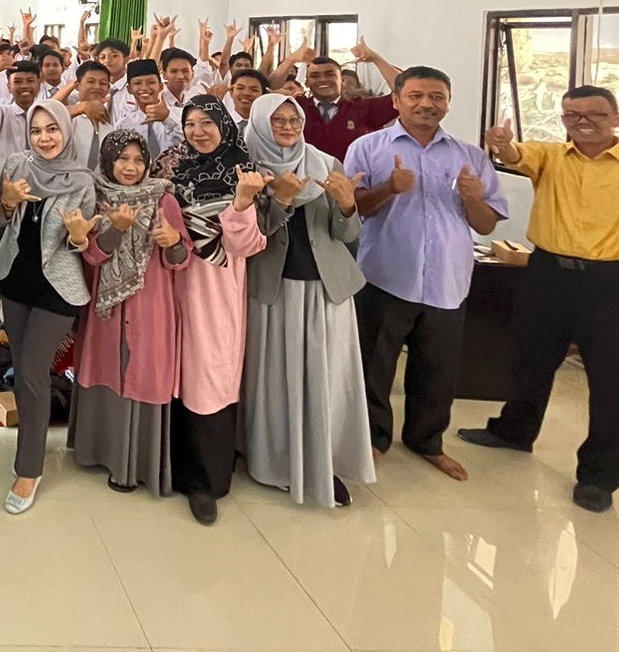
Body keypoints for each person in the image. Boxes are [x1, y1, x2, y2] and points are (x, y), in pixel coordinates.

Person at [459, 91, 619, 512]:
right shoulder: (551, 157)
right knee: (528, 362)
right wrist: (501, 143)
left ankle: (599, 477)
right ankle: (514, 432)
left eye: (594, 114)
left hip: (616, 285)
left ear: (617, 118)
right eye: (572, 114)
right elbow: (516, 154)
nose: (582, 121)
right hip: (547, 275)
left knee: (615, 385)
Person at [344, 67, 506, 481]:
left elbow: (486, 225)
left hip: (447, 280)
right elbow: (353, 210)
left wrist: (474, 199)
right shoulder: (368, 147)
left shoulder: (470, 156)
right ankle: (374, 439)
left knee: (437, 369)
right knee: (374, 366)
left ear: (447, 104)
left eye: (436, 97)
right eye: (415, 95)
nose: (426, 104)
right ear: (396, 100)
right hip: (385, 275)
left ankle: (426, 441)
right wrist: (389, 188)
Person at [241, 94, 375, 508]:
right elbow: (252, 235)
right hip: (274, 288)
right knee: (274, 381)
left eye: (293, 120)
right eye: (277, 120)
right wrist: (279, 199)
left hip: (326, 289)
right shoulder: (247, 167)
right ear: (261, 123)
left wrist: (348, 205)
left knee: (327, 379)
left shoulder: (326, 164)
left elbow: (346, 234)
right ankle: (273, 462)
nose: (287, 127)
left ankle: (323, 461)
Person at [152, 96, 268, 524]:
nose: (198, 132)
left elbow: (246, 245)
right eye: (190, 123)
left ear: (224, 125)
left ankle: (205, 481)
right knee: (171, 373)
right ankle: (166, 464)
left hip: (213, 288)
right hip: (167, 283)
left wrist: (241, 203)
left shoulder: (242, 172)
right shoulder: (172, 168)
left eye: (207, 123)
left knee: (208, 376)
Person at [68, 130, 190, 495]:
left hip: (151, 305)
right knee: (107, 368)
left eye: (138, 160)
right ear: (109, 161)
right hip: (106, 307)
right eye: (123, 159)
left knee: (142, 373)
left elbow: (180, 260)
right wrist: (116, 231)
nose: (131, 167)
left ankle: (134, 465)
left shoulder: (163, 199)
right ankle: (97, 452)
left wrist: (173, 243)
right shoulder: (96, 196)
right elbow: (91, 256)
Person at [0, 99, 97, 513]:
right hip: (15, 282)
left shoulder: (81, 180)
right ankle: (29, 445)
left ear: (66, 132)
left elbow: (81, 243)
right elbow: (0, 222)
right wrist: (7, 202)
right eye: (36, 130)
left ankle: (29, 469)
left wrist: (78, 236)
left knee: (33, 371)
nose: (44, 138)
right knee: (22, 370)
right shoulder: (17, 165)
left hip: (58, 289)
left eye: (52, 129)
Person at [275, 41, 405, 159]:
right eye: (315, 76)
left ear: (342, 80)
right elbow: (267, 88)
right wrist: (292, 59)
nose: (322, 80)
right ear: (307, 82)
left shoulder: (363, 107)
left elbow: (404, 92)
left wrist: (376, 58)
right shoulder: (295, 107)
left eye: (329, 74)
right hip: (303, 177)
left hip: (351, 176)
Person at [111, 58, 181, 156]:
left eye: (151, 82)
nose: (144, 88)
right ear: (129, 89)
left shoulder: (181, 115)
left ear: (161, 86)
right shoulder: (123, 126)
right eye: (137, 83)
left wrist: (168, 119)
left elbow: (190, 142)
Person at [227, 69, 269, 135]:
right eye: (240, 88)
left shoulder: (267, 128)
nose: (246, 93)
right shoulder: (221, 123)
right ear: (231, 92)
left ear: (263, 95)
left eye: (254, 90)